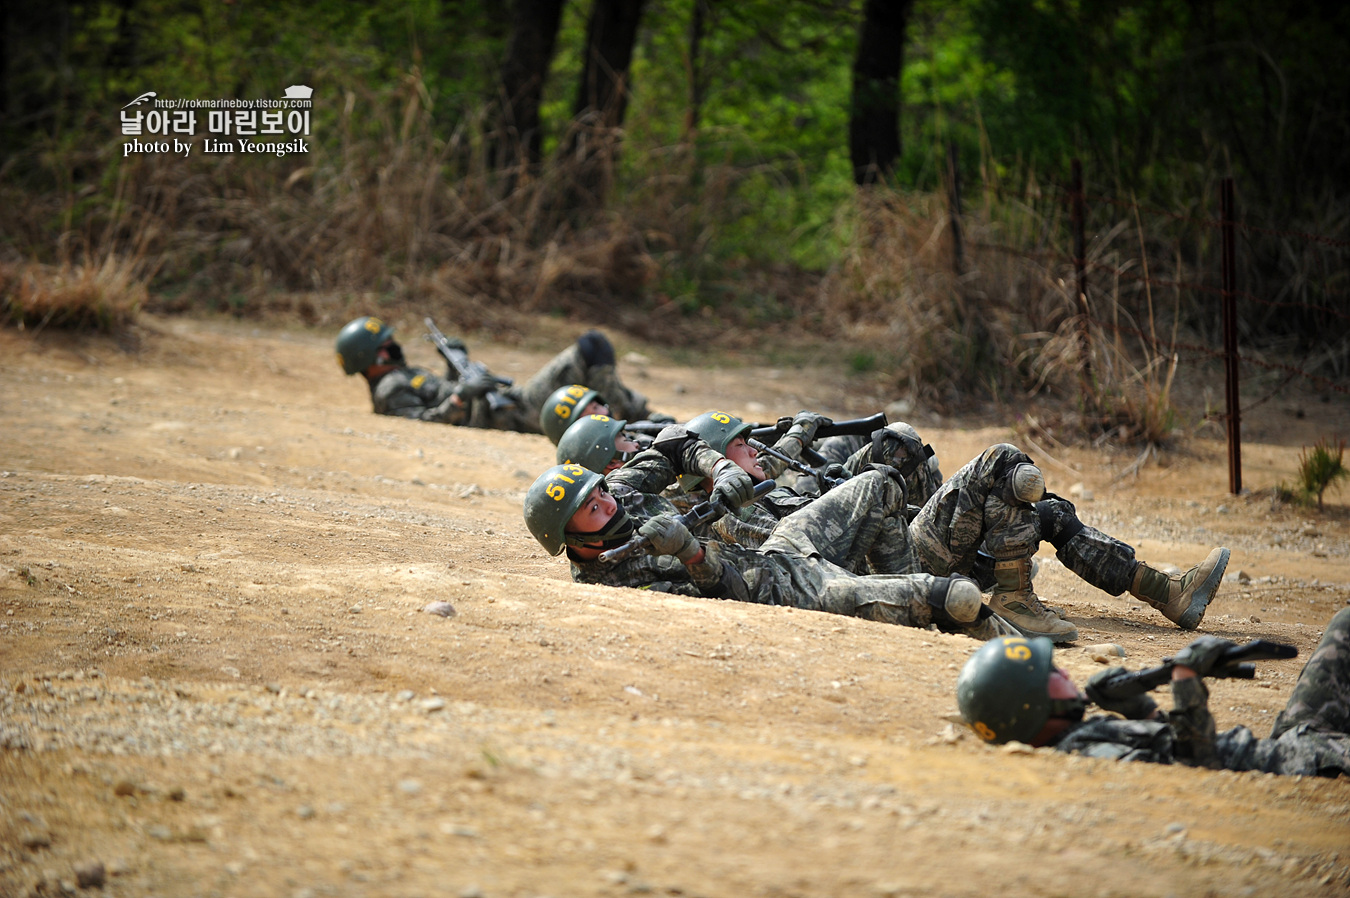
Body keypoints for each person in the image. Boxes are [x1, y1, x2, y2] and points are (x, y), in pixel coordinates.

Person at [671, 411, 1230, 644]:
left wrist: (802, 439)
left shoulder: (778, 475)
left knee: (1045, 509)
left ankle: (1164, 591)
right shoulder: (725, 516)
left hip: (899, 535)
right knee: (1001, 462)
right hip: (884, 569)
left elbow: (837, 484)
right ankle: (1013, 598)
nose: (753, 450)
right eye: (740, 446)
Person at [523, 427, 1017, 641]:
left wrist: (718, 464)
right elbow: (727, 599)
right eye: (591, 509)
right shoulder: (612, 587)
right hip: (786, 592)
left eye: (600, 491)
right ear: (569, 537)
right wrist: (692, 554)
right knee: (954, 597)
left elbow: (674, 445)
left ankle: (911, 618)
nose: (606, 502)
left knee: (881, 482)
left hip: (781, 548)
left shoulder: (622, 493)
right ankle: (1031, 665)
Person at [955, 609, 1350, 777]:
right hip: (1294, 760)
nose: (1066, 675)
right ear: (1032, 705)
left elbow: (1163, 745)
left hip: (1291, 741)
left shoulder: (1080, 738)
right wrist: (1184, 681)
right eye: (1052, 673)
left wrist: (1141, 708)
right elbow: (1194, 766)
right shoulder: (1089, 755)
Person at [334, 317, 661, 433]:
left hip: (509, 401)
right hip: (513, 413)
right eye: (386, 344)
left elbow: (441, 392)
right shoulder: (390, 388)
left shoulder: (403, 374)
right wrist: (464, 395)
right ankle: (630, 416)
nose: (394, 346)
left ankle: (645, 416)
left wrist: (454, 365)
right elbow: (423, 422)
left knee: (589, 362)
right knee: (591, 346)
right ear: (369, 356)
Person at [539, 383, 675, 445]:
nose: (601, 415)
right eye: (588, 418)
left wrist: (671, 429)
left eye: (596, 407)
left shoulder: (635, 430)